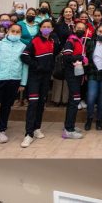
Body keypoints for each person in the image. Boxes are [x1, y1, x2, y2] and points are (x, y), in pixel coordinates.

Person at [20, 18, 58, 148]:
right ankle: (28, 134)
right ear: (40, 28)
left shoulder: (52, 41)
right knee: (33, 104)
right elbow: (24, 56)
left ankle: (37, 128)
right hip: (35, 77)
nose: (46, 28)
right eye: (44, 26)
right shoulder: (34, 41)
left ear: (52, 29)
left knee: (41, 103)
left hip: (46, 78)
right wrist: (37, 66)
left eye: (49, 26)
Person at [60, 21, 89, 139]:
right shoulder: (70, 41)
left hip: (77, 74)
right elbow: (66, 57)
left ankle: (69, 125)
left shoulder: (79, 41)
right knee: (74, 100)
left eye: (83, 28)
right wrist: (81, 58)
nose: (81, 30)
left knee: (74, 99)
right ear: (74, 29)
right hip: (71, 74)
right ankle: (68, 130)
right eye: (78, 28)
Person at [83, 23, 102, 132]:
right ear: (96, 31)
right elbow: (86, 57)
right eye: (100, 31)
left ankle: (99, 120)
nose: (101, 34)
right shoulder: (90, 42)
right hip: (92, 73)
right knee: (91, 97)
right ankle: (89, 118)